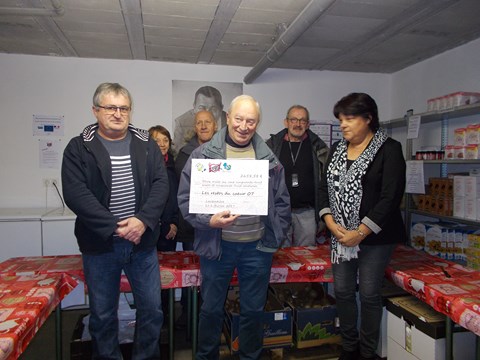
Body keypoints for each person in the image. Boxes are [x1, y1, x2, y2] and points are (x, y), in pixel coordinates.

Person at [177, 95, 291, 359]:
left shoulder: (268, 159)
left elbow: (283, 203)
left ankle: (249, 356)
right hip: (218, 246)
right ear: (227, 118)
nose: (244, 126)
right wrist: (209, 221)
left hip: (257, 247)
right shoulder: (203, 155)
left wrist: (277, 234)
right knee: (211, 309)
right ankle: (206, 356)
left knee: (253, 310)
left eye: (250, 121)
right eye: (238, 119)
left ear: (257, 122)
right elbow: (185, 199)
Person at [62, 82, 168, 359]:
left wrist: (142, 221)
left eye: (124, 108)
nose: (118, 113)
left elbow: (160, 184)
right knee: (102, 314)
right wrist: (116, 227)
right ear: (95, 110)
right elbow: (76, 194)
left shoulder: (146, 143)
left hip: (142, 243)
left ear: (130, 111)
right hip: (100, 245)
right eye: (110, 107)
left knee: (152, 310)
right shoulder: (78, 148)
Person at [318, 93, 406, 360]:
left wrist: (360, 232)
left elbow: (390, 197)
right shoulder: (336, 150)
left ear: (368, 119)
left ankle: (367, 352)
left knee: (368, 293)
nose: (343, 124)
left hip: (375, 238)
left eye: (349, 118)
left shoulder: (389, 149)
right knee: (343, 292)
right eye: (340, 119)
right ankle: (349, 347)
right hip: (341, 236)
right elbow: (323, 190)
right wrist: (331, 225)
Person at [174, 109, 217, 329]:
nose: (203, 126)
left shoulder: (224, 151)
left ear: (215, 125)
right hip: (192, 226)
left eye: (207, 122)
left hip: (218, 227)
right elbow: (183, 191)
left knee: (211, 277)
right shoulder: (185, 153)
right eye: (199, 123)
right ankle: (187, 318)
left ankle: (207, 321)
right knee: (190, 276)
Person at [266, 105, 329, 247]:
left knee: (307, 256)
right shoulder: (271, 146)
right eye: (293, 119)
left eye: (302, 120)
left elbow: (327, 182)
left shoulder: (319, 147)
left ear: (307, 124)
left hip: (307, 212)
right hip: (279, 212)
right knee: (280, 256)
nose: (298, 124)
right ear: (286, 122)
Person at [149, 125, 179, 252]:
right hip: (151, 230)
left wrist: (175, 224)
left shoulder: (173, 164)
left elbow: (176, 197)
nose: (162, 144)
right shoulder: (145, 167)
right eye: (157, 140)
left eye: (165, 140)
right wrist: (164, 226)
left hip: (171, 230)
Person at [172, 85, 226, 153]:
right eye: (201, 108)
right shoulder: (182, 123)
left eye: (213, 109)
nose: (207, 113)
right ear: (194, 107)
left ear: (221, 108)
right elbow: (176, 153)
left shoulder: (231, 124)